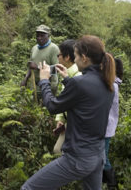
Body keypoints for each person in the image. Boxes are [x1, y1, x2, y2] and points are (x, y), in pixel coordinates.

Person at [21, 35, 116, 190]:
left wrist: (44, 80)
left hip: (77, 158)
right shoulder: (107, 82)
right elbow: (86, 103)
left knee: (29, 188)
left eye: (76, 56)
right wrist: (67, 79)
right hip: (97, 155)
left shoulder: (80, 83)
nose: (75, 60)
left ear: (84, 58)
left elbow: (52, 106)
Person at [53, 39, 82, 154]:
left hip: (76, 125)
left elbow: (58, 103)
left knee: (60, 151)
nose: (57, 57)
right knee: (58, 150)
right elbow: (64, 99)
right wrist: (60, 119)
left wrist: (44, 81)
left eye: (59, 55)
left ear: (67, 57)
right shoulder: (67, 74)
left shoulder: (78, 77)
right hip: (68, 122)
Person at [102, 57, 123, 189]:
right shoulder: (113, 83)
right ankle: (105, 180)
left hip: (106, 127)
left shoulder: (112, 85)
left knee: (103, 157)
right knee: (103, 155)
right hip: (107, 126)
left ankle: (112, 184)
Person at [20, 24, 59, 97]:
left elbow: (56, 69)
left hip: (48, 87)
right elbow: (31, 66)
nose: (39, 38)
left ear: (48, 35)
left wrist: (38, 67)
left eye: (42, 35)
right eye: (37, 35)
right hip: (35, 86)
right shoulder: (34, 48)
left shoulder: (54, 49)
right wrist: (25, 79)